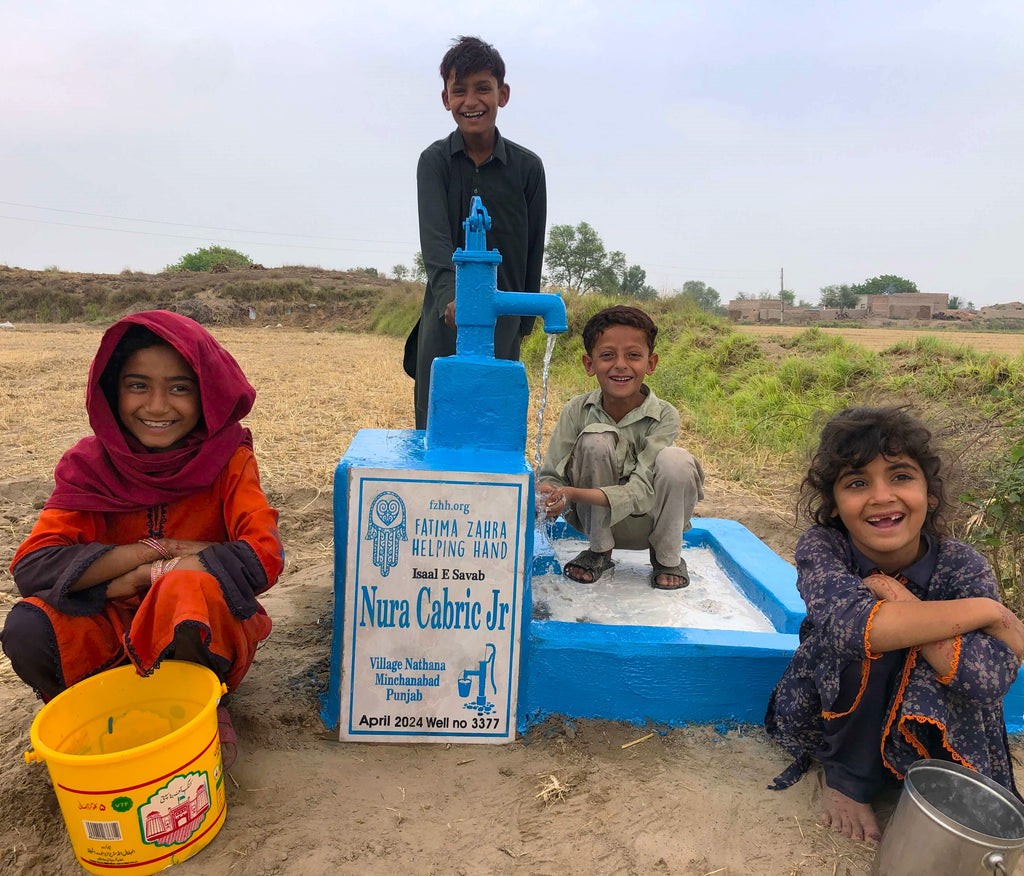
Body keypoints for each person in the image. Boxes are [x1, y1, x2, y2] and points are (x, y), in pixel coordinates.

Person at [1, 310, 283, 767]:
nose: (156, 407)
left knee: (185, 590)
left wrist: (154, 577)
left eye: (179, 388)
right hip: (107, 624)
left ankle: (205, 706)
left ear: (207, 396)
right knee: (28, 626)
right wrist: (151, 559)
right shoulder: (90, 463)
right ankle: (95, 710)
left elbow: (261, 557)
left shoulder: (228, 459)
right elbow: (35, 566)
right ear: (112, 391)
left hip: (199, 631)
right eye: (138, 385)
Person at [765, 406, 1024, 843]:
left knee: (920, 648)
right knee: (870, 643)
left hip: (930, 727)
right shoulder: (825, 546)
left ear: (931, 494)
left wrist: (903, 603)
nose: (882, 496)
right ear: (834, 505)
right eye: (858, 482)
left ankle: (929, 776)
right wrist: (988, 612)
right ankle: (847, 779)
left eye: (901, 476)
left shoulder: (962, 565)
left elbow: (989, 680)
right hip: (834, 705)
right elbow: (852, 627)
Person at [407, 34, 546, 429]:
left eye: (482, 88)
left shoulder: (527, 169)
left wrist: (523, 321)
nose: (472, 101)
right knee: (436, 428)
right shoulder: (434, 162)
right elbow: (434, 242)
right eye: (459, 90)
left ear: (502, 94)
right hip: (444, 317)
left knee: (494, 429)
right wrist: (453, 300)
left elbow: (532, 247)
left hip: (502, 321)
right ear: (445, 99)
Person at [536, 305, 705, 589]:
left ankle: (667, 558)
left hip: (650, 523)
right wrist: (550, 493)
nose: (621, 365)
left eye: (634, 355)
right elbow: (552, 475)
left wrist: (572, 492)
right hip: (595, 524)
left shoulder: (665, 415)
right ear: (589, 365)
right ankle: (599, 551)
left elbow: (640, 491)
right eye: (607, 355)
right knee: (595, 439)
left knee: (677, 461)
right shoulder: (576, 410)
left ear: (651, 364)